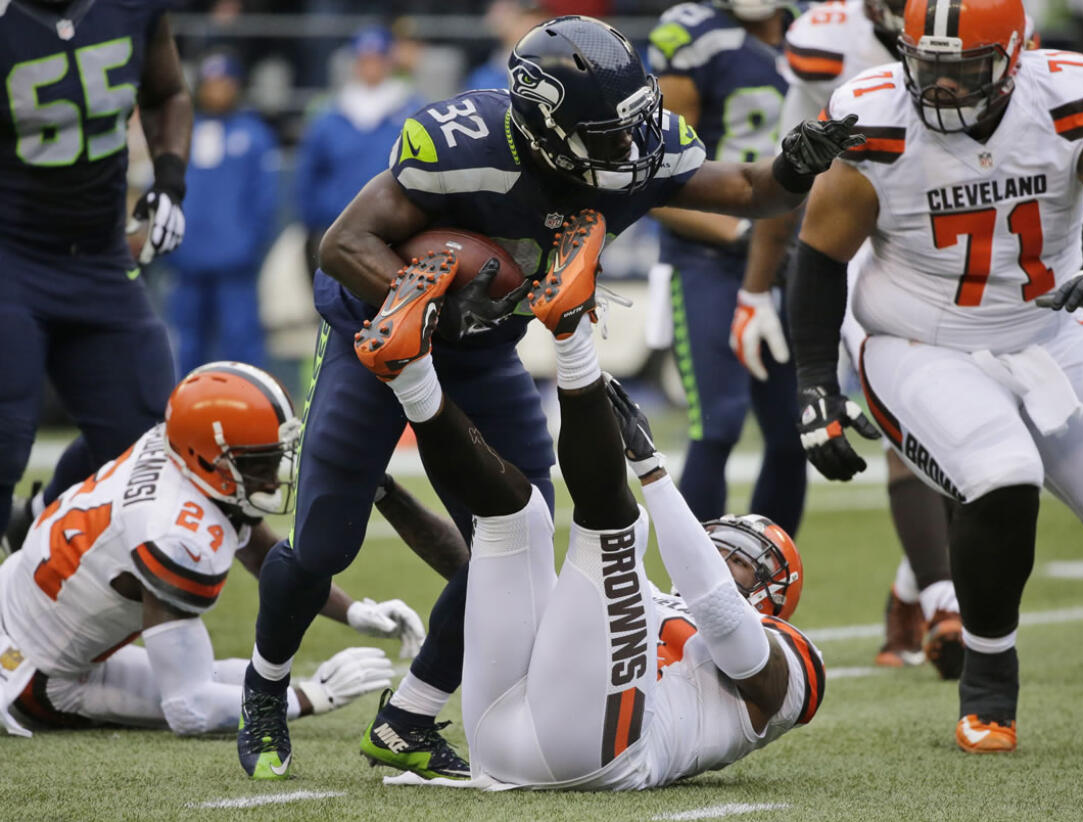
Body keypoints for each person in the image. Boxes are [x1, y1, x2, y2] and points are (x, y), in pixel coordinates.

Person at [236, 13, 863, 781]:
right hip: (383, 338)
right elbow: (341, 244)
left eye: (635, 125)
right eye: (608, 134)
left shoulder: (636, 143)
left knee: (519, 532)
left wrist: (796, 168)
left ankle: (406, 717)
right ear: (543, 128)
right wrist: (433, 311)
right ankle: (264, 687)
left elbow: (748, 189)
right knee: (325, 544)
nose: (631, 149)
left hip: (488, 346)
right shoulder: (465, 145)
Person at [785, 0, 1083, 753]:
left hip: (1050, 325)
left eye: (964, 72)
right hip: (918, 339)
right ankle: (988, 691)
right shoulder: (877, 111)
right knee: (1002, 472)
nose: (942, 88)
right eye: (928, 67)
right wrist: (817, 383)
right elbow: (821, 254)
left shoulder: (1066, 94)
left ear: (1016, 59)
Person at [354, 216, 823, 790]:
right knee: (516, 520)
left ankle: (572, 332)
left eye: (740, 558)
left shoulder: (790, 661)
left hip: (603, 753)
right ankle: (411, 375)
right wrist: (384, 492)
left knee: (625, 534)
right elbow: (483, 578)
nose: (717, 555)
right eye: (717, 544)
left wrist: (651, 470)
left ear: (774, 593)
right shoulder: (644, 598)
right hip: (498, 735)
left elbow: (727, 622)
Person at [0, 363, 421, 741]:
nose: (274, 479)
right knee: (232, 684)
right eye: (258, 464)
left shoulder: (180, 450)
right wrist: (314, 697)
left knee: (245, 674)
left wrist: (351, 612)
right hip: (34, 673)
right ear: (208, 460)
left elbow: (260, 553)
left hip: (17, 602)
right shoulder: (174, 538)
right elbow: (190, 707)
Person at [738, 0, 963, 676]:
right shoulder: (823, 43)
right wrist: (755, 290)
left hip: (981, 239)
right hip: (878, 243)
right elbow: (790, 174)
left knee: (983, 443)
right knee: (909, 419)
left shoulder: (984, 23)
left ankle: (907, 590)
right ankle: (944, 600)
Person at [0, 0, 192, 555]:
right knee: (4, 443)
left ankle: (37, 521)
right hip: (11, 256)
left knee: (149, 441)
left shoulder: (130, 9)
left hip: (100, 259)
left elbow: (168, 93)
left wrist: (170, 183)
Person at [645, 0, 809, 540]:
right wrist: (745, 232)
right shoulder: (691, 36)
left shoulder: (816, 31)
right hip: (709, 258)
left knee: (794, 432)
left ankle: (769, 583)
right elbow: (653, 177)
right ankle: (694, 591)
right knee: (719, 421)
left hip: (795, 260)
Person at [165, 49, 278, 374]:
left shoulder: (255, 134)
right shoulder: (182, 131)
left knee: (241, 341)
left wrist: (249, 244)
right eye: (211, 83)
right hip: (188, 260)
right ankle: (183, 411)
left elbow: (265, 200)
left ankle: (253, 410)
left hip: (235, 261)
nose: (217, 90)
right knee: (186, 344)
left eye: (224, 82)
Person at [295, 25, 423, 273]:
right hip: (336, 227)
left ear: (389, 61)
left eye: (377, 59)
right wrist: (315, 222)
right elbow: (309, 175)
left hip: (394, 230)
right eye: (365, 59)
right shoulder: (330, 115)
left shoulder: (411, 111)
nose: (371, 66)